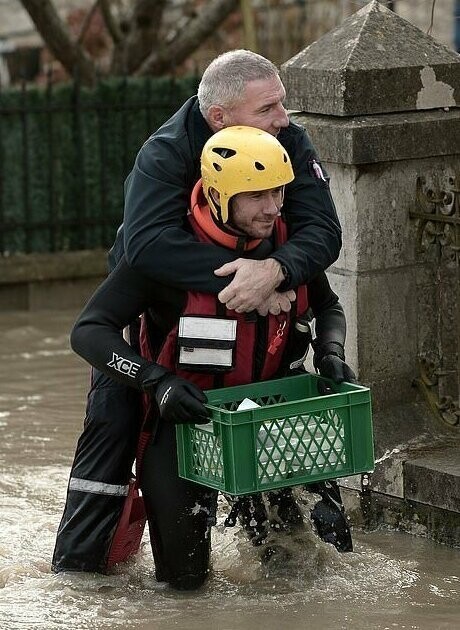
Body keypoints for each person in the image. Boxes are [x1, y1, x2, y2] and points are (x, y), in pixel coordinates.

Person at [52, 49, 342, 574]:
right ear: (220, 119)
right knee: (111, 437)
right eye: (269, 108)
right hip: (151, 317)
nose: (285, 118)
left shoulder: (287, 143)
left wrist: (275, 272)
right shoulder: (165, 153)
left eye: (283, 105)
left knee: (286, 511)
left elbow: (324, 234)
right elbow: (146, 248)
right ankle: (83, 572)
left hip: (255, 304)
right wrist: (245, 277)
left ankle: (274, 547)